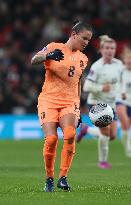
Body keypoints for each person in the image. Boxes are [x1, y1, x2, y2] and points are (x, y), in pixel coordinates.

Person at [31, 20, 93, 192]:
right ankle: (49, 178)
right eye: (84, 38)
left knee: (71, 134)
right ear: (74, 34)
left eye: (89, 40)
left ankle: (63, 178)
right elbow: (33, 60)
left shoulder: (83, 58)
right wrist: (47, 56)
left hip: (70, 101)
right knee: (51, 139)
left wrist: (78, 107)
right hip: (49, 100)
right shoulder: (53, 46)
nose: (86, 42)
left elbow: (78, 82)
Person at [77, 35, 125, 169]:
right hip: (97, 103)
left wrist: (122, 92)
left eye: (112, 48)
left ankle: (86, 129)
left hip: (112, 103)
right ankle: (102, 161)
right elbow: (86, 87)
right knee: (105, 133)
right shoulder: (97, 67)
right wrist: (101, 88)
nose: (110, 50)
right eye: (107, 48)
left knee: (113, 135)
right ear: (101, 50)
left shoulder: (119, 65)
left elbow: (121, 81)